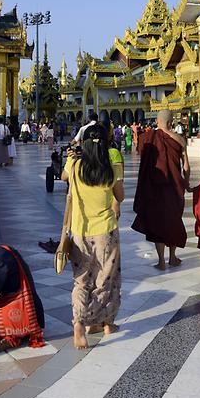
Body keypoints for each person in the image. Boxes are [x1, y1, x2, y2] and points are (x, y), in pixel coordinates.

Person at [61, 122, 124, 349]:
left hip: (80, 232)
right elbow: (121, 196)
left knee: (81, 280)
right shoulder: (108, 169)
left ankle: (79, 323)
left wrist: (72, 154)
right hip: (105, 231)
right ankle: (105, 322)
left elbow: (63, 177)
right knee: (105, 280)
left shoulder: (75, 166)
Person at [132, 109, 190, 271]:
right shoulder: (179, 139)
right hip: (174, 186)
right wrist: (186, 182)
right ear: (172, 122)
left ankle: (161, 261)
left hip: (155, 187)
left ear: (157, 121)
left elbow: (144, 160)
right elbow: (186, 165)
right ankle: (172, 257)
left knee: (158, 222)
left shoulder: (148, 138)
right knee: (173, 220)